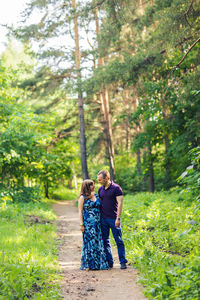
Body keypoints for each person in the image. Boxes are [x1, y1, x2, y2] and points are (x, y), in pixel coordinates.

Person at [97, 170, 128, 269]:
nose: (99, 181)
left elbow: (120, 204)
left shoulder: (116, 188)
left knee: (118, 240)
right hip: (103, 219)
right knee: (105, 241)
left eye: (100, 179)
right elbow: (100, 204)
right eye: (98, 180)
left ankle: (122, 261)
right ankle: (110, 262)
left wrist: (118, 218)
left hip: (113, 218)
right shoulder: (100, 189)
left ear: (107, 178)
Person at [78, 179, 109, 270]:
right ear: (87, 186)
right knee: (89, 243)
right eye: (91, 185)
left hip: (98, 223)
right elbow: (80, 212)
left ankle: (99, 264)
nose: (94, 186)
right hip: (88, 224)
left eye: (93, 184)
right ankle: (89, 264)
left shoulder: (96, 195)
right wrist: (81, 225)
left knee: (98, 241)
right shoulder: (82, 198)